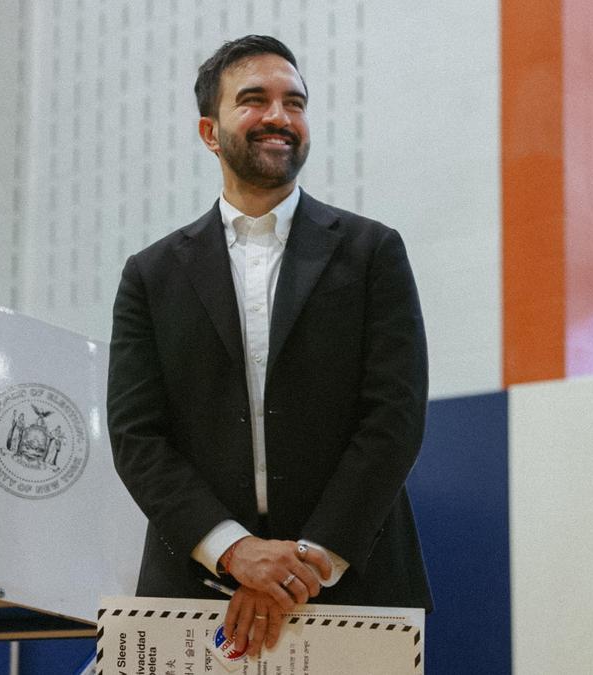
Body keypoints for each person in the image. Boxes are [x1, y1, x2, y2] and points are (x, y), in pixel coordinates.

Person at [106, 34, 432, 658]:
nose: (280, 117)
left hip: (355, 583)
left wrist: (301, 565)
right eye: (254, 100)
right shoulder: (151, 275)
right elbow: (136, 436)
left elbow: (395, 417)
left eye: (295, 102)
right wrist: (233, 550)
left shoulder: (373, 252)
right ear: (210, 130)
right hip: (195, 590)